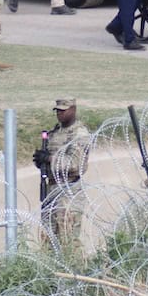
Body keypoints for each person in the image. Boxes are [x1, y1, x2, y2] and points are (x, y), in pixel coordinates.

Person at [32, 97, 90, 249]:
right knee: (47, 238)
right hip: (51, 188)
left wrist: (50, 159)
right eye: (57, 111)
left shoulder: (79, 134)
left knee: (68, 238)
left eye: (63, 111)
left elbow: (75, 164)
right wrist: (41, 162)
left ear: (73, 110)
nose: (60, 114)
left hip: (69, 190)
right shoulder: (54, 133)